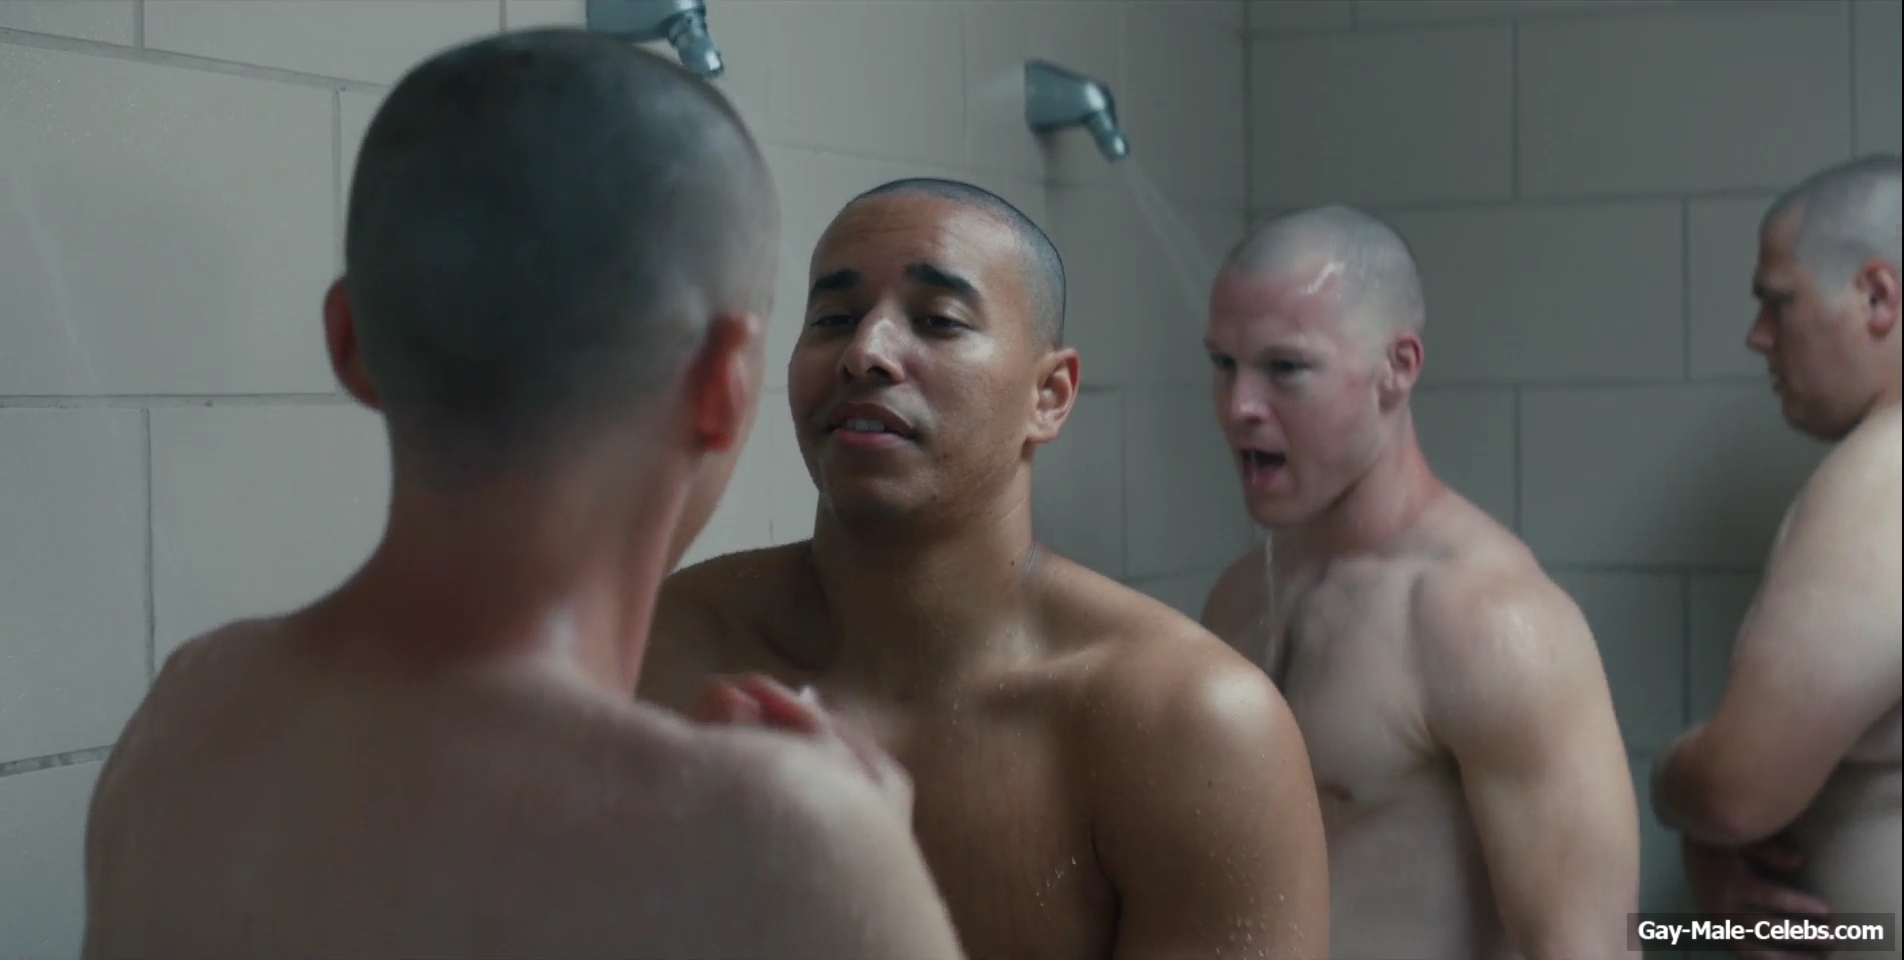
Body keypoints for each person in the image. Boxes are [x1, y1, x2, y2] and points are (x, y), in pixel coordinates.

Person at [80, 30, 964, 959]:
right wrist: (862, 853)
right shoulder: (775, 837)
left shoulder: (187, 713)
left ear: (349, 340)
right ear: (721, 382)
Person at [638, 177, 1331, 960]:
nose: (865, 352)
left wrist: (869, 909)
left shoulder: (1191, 726)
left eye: (937, 321)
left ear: (1050, 395)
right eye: (833, 318)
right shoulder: (668, 647)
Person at [1199, 205, 1639, 959]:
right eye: (1223, 363)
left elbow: (1589, 949)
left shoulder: (1486, 623)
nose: (1240, 405)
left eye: (1285, 368)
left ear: (1397, 369)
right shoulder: (1240, 597)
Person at [1652, 154, 1901, 960]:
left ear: (1877, 296)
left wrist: (1670, 779)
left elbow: (1736, 791)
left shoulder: (1884, 481)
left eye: (1777, 302)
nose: (1757, 337)